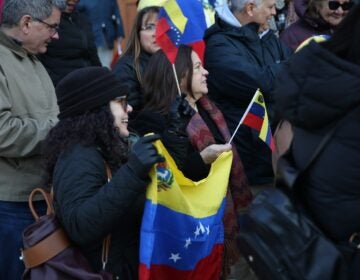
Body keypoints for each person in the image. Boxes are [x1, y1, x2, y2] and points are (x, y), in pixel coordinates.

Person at [132, 45, 253, 279]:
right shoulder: (153, 120)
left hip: (219, 218)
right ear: (180, 74)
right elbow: (169, 182)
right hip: (188, 229)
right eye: (198, 67)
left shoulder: (209, 108)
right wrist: (203, 159)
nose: (206, 72)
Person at [43, 66, 164, 278]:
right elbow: (81, 226)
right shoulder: (78, 156)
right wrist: (133, 172)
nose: (130, 109)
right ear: (97, 110)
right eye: (121, 102)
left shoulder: (107, 146)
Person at [273, 3, 360, 278]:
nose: (339, 9)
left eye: (346, 5)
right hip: (338, 253)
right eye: (333, 3)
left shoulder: (319, 77)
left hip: (313, 245)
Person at [0, 0, 61, 278]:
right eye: (52, 27)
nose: (56, 35)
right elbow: (3, 132)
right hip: (11, 205)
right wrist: (59, 129)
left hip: (40, 198)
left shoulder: (33, 58)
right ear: (26, 23)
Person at [204, 0, 292, 190]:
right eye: (269, 7)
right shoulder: (219, 46)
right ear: (250, 9)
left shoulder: (266, 37)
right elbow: (262, 83)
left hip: (279, 158)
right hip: (249, 164)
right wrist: (290, 68)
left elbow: (296, 74)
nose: (274, 13)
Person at [112, 1, 164, 114]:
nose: (156, 33)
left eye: (162, 26)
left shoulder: (175, 62)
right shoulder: (126, 68)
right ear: (138, 33)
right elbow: (130, 113)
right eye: (149, 27)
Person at [38, 0, 101, 86]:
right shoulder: (44, 21)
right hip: (61, 88)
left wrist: (101, 78)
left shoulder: (82, 19)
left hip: (87, 86)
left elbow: (93, 56)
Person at [280, 0, 353, 50]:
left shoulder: (351, 31)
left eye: (346, 5)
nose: (340, 11)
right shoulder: (291, 37)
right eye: (333, 5)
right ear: (317, 4)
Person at [77, 0, 125, 68]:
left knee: (105, 65)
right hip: (89, 39)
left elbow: (116, 13)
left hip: (106, 37)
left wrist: (119, 33)